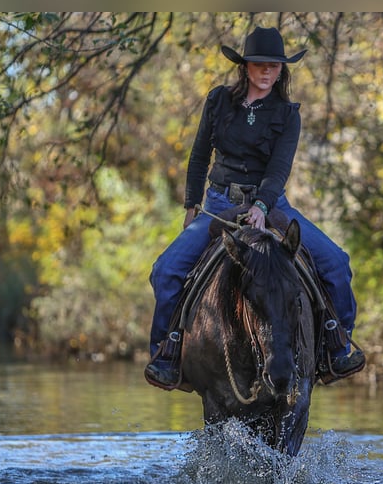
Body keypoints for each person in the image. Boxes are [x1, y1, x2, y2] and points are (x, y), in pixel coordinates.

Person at [145, 26, 364, 389]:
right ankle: (167, 352)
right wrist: (191, 204)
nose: (267, 72)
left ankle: (335, 345)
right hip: (218, 204)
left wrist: (262, 204)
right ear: (245, 66)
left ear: (282, 70)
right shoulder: (218, 101)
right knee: (166, 271)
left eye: (275, 66)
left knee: (337, 264)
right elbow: (200, 155)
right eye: (260, 65)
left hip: (273, 204)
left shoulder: (287, 114)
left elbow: (279, 169)